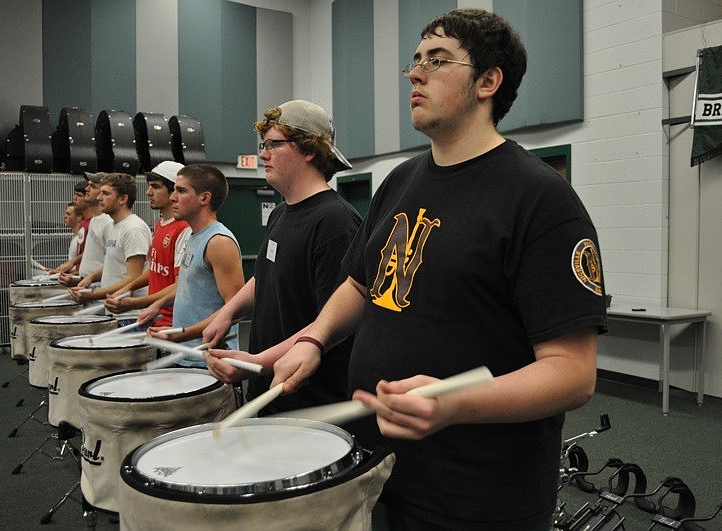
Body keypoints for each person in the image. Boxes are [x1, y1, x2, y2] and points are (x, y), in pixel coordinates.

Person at [211, 9, 607, 530]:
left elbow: (573, 374)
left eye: (438, 60)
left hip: (477, 492)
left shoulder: (540, 199)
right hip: (379, 463)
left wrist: (456, 403)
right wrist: (314, 340)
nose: (416, 74)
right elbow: (359, 283)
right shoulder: (400, 181)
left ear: (488, 81)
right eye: (415, 61)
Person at [203, 100, 361, 412]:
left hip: (307, 400)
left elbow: (332, 322)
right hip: (266, 389)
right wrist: (226, 313)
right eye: (264, 144)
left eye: (274, 144)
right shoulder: (281, 213)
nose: (263, 154)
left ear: (309, 150)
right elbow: (265, 276)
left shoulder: (336, 222)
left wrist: (260, 363)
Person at [145, 164, 244, 367]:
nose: (173, 197)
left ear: (204, 198)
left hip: (209, 361)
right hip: (187, 355)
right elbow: (189, 285)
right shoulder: (193, 235)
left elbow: (237, 308)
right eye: (174, 190)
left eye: (181, 191)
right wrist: (158, 303)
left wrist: (183, 334)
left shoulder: (219, 242)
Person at [104, 161, 191, 327]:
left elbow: (180, 285)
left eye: (156, 187)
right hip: (154, 319)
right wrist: (129, 287)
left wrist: (137, 303)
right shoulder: (160, 224)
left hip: (171, 324)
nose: (148, 192)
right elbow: (154, 270)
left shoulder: (183, 229)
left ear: (175, 191)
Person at [70, 173, 151, 325]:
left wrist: (93, 295)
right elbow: (113, 264)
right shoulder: (116, 226)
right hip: (116, 312)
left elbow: (133, 277)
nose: (99, 198)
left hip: (130, 316)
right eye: (100, 192)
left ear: (123, 199)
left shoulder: (133, 229)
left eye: (105, 193)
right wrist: (89, 279)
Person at [59, 172, 112, 286]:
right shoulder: (94, 220)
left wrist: (89, 278)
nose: (87, 189)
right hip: (88, 285)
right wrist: (78, 277)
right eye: (88, 185)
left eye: (92, 186)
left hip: (99, 288)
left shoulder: (108, 222)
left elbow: (113, 263)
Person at [48, 181, 88, 275]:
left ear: (79, 217)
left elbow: (84, 264)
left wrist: (64, 272)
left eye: (68, 214)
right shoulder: (77, 236)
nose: (64, 217)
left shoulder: (80, 236)